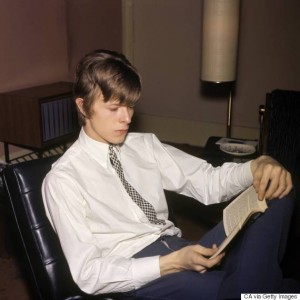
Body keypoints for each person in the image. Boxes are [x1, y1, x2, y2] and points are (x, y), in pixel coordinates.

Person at [42, 49, 298, 299]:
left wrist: (257, 165)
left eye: (130, 106)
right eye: (114, 108)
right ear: (83, 106)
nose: (127, 118)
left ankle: (258, 289)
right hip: (140, 273)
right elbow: (88, 273)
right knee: (266, 290)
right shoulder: (64, 179)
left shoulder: (145, 145)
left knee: (278, 191)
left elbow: (208, 181)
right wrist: (171, 263)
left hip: (182, 247)